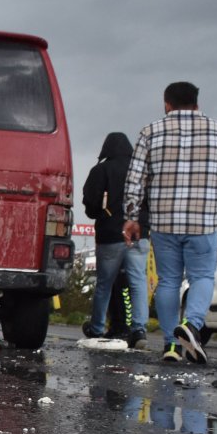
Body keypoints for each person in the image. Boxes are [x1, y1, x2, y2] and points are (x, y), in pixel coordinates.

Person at [124, 82, 217, 363]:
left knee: (168, 281)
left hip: (165, 222)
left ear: (167, 104)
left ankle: (171, 346)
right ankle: (192, 325)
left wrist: (131, 216)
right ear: (196, 104)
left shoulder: (150, 132)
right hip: (203, 221)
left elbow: (134, 179)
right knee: (202, 276)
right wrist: (216, 185)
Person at [82, 132, 150, 349]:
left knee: (104, 283)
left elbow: (91, 205)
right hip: (139, 233)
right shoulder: (142, 171)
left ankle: (96, 327)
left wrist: (103, 214)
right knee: (138, 282)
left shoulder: (101, 169)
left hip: (111, 235)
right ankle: (139, 329)